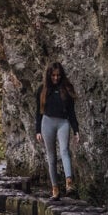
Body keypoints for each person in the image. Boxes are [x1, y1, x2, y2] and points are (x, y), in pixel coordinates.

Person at [35, 61, 80, 199]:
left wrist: (76, 130)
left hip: (63, 122)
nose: (56, 78)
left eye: (58, 75)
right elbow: (38, 112)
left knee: (65, 150)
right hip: (47, 122)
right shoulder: (42, 89)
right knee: (52, 157)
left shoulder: (66, 88)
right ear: (49, 75)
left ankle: (69, 182)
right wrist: (37, 130)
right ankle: (55, 189)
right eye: (53, 75)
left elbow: (72, 112)